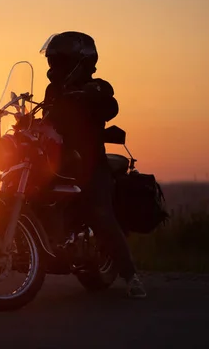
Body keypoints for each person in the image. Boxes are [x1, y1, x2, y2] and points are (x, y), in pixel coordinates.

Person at [39, 31, 147, 299]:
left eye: (61, 60)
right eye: (53, 60)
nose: (54, 67)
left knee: (100, 213)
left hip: (88, 163)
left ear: (80, 62)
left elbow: (110, 105)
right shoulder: (53, 91)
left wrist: (87, 97)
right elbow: (45, 120)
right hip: (57, 161)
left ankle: (131, 276)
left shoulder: (97, 87)